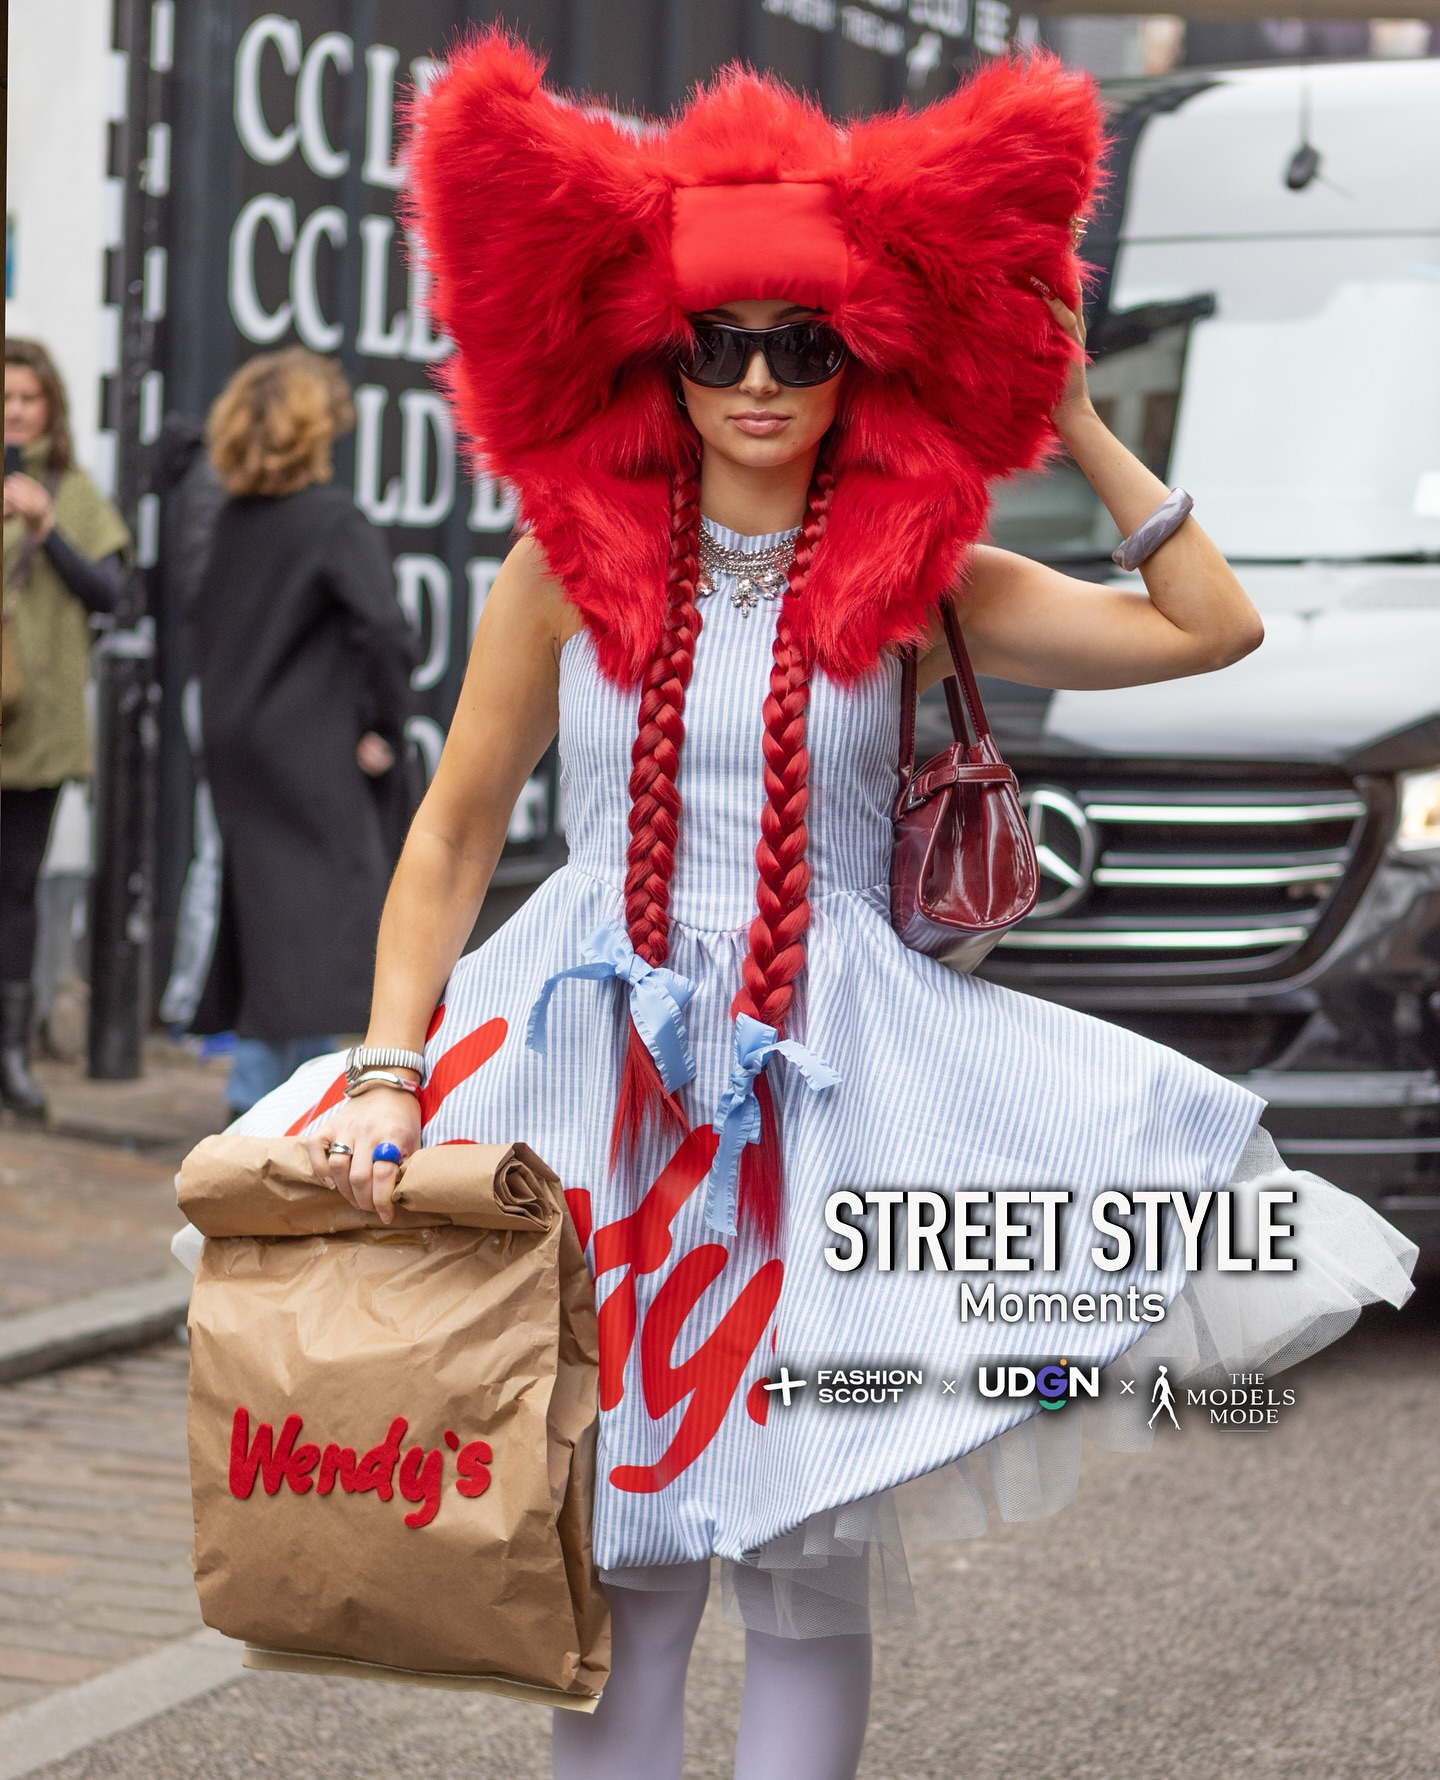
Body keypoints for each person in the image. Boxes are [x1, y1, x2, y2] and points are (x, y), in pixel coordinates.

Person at [233, 39, 1415, 1780]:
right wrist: (393, 1072)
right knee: (623, 1559)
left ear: (859, 360)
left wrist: (1070, 412)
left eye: (807, 342)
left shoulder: (920, 574)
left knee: (802, 1561)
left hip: (833, 1087)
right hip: (597, 1078)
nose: (765, 379)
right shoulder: (564, 562)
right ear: (671, 354)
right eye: (726, 343)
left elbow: (1208, 630)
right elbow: (453, 834)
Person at [189, 348, 414, 1115]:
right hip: (315, 750)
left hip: (238, 746)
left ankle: (253, 1097)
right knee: (332, 930)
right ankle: (305, 1104)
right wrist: (384, 725)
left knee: (268, 922)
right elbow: (383, 628)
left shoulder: (233, 523)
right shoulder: (331, 520)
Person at [1, 339, 129, 1116]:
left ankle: (10, 1056)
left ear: (51, 409)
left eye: (28, 398)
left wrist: (48, 528)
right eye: (5, 397)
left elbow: (109, 594)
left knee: (16, 887)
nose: (16, 411)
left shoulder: (71, 489)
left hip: (36, 723)